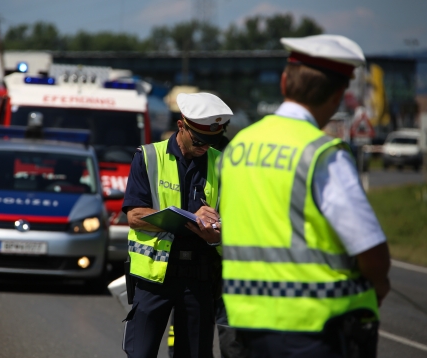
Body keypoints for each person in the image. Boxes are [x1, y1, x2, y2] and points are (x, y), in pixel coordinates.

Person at [219, 34, 391, 357]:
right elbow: (370, 249)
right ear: (338, 95)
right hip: (313, 333)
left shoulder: (238, 147)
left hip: (245, 326)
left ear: (284, 82)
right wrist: (380, 284)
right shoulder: (321, 154)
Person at [122, 92, 231, 358]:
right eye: (199, 140)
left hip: (200, 276)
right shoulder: (148, 157)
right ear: (182, 125)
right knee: (140, 353)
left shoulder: (221, 164)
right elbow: (135, 216)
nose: (205, 147)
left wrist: (215, 233)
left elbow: (236, 222)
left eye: (211, 141)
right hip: (154, 278)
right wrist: (190, 216)